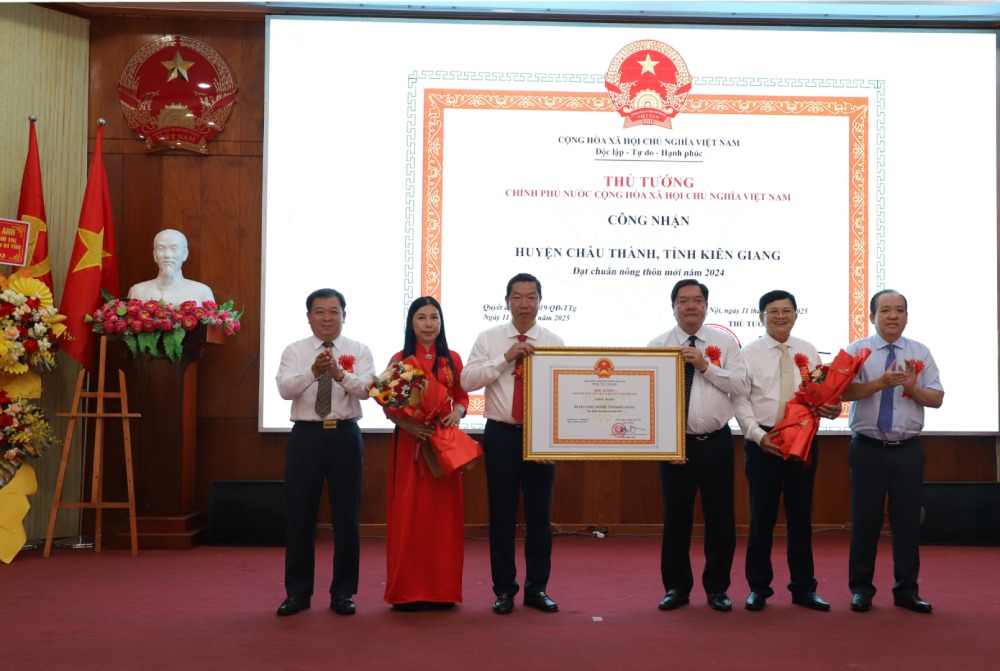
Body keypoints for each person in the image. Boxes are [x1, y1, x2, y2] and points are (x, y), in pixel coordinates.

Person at [462, 273, 564, 615]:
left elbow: (560, 395)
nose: (524, 303)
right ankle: (504, 590)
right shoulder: (490, 339)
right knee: (501, 515)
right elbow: (468, 380)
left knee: (539, 517)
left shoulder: (553, 340)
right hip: (502, 434)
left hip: (540, 436)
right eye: (517, 297)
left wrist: (554, 444)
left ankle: (537, 589)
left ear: (540, 301)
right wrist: (505, 357)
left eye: (531, 297)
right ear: (506, 301)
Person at [733, 289, 840, 612]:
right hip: (763, 441)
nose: (781, 316)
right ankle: (759, 589)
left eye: (787, 310)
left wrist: (831, 408)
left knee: (800, 516)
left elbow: (819, 395)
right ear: (760, 317)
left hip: (803, 441)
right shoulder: (747, 354)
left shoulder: (808, 350)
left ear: (795, 315)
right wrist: (756, 436)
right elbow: (740, 400)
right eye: (773, 311)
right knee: (761, 518)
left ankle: (804, 588)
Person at [274, 288, 375, 617]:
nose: (328, 318)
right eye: (320, 312)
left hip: (345, 435)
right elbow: (285, 389)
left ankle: (343, 592)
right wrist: (314, 372)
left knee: (347, 518)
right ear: (309, 316)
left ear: (345, 315)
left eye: (334, 311)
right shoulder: (295, 350)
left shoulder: (359, 350)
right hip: (306, 437)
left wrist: (338, 373)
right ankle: (298, 594)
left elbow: (366, 390)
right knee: (299, 517)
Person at [841, 290, 943, 614]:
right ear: (872, 317)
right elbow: (842, 391)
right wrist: (880, 383)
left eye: (900, 310)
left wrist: (911, 387)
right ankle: (861, 590)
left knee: (907, 524)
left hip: (907, 451)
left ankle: (906, 591)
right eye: (885, 310)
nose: (893, 316)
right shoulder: (857, 351)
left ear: (907, 316)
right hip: (867, 449)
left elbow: (937, 398)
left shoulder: (920, 352)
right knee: (865, 523)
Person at [649, 279, 748, 612]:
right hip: (675, 447)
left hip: (716, 443)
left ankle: (717, 588)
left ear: (706, 305)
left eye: (696, 300)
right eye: (683, 300)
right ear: (673, 306)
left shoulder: (725, 343)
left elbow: (740, 385)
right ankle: (676, 587)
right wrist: (665, 445)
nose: (690, 306)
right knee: (676, 520)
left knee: (720, 519)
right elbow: (651, 400)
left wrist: (705, 365)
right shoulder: (657, 344)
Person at [383, 296, 470, 611]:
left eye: (434, 317)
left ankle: (441, 590)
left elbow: (461, 396)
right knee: (409, 516)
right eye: (421, 317)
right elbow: (389, 406)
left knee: (443, 520)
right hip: (411, 445)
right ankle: (407, 591)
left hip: (443, 443)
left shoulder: (453, 359)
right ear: (411, 323)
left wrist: (458, 412)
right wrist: (407, 426)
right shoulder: (400, 359)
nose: (429, 324)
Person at [127, 228, 215, 304]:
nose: (167, 255)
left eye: (174, 249)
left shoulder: (202, 292)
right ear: (155, 255)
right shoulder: (137, 292)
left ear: (185, 254)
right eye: (161, 249)